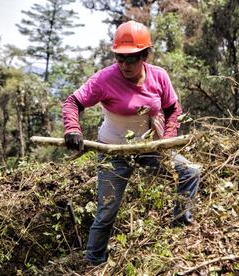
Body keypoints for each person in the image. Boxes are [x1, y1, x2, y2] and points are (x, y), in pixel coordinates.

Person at [62, 20, 200, 265]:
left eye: (132, 58)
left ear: (144, 55)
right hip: (113, 153)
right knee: (106, 211)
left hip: (149, 148)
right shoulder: (105, 78)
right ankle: (94, 261)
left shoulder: (158, 76)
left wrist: (166, 141)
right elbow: (73, 102)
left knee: (189, 173)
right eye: (120, 58)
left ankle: (182, 230)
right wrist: (73, 129)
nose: (125, 64)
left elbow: (172, 109)